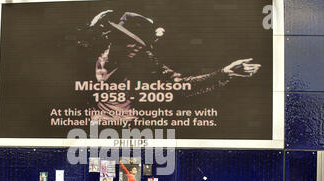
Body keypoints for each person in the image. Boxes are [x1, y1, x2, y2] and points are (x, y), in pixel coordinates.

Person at [80, 11, 261, 123]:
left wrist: (223, 73)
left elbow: (181, 85)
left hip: (116, 125)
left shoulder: (136, 55)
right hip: (109, 125)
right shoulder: (120, 53)